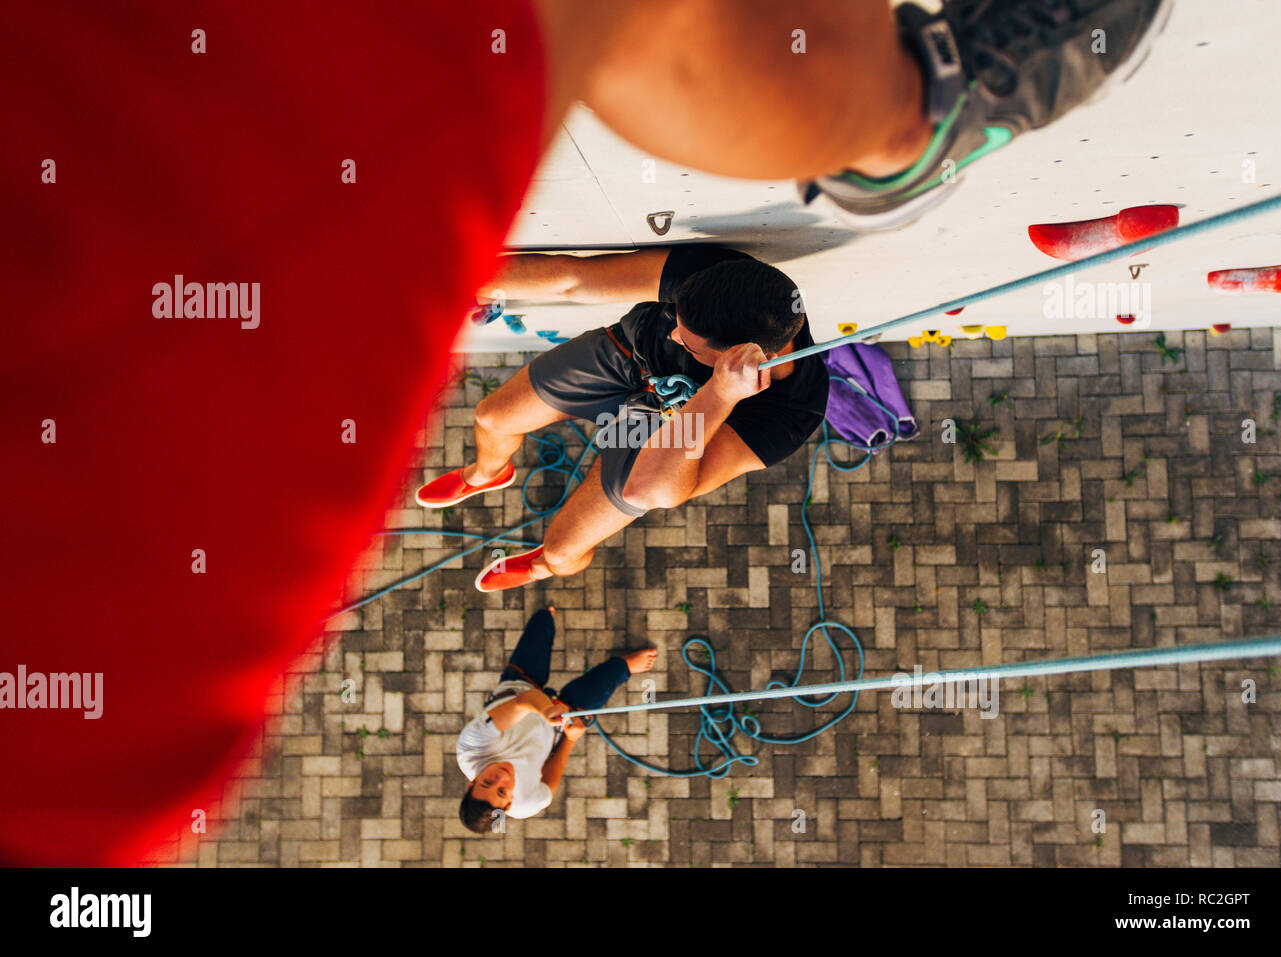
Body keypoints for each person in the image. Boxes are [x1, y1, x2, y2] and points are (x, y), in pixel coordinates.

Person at [1, 0, 1168, 863]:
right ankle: (915, 114)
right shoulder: (534, 786)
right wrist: (706, 405)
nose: (508, 794)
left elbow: (565, 275)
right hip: (721, 421)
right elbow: (560, 728)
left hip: (653, 391)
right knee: (633, 504)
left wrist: (468, 294)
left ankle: (534, 509)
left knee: (516, 429)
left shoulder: (668, 311)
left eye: (502, 797)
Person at [418, 244, 829, 591]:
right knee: (492, 417)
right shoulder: (723, 280)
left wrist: (718, 396)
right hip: (627, 357)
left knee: (563, 549)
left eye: (689, 342)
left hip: (666, 434)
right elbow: (573, 278)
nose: (673, 334)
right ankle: (486, 472)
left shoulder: (791, 413)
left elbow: (649, 490)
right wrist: (463, 275)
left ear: (758, 357)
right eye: (677, 322)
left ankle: (547, 567)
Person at [457, 607, 657, 832]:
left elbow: (522, 701)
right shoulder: (526, 805)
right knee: (603, 683)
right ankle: (625, 665)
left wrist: (547, 709)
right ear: (510, 804)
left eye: (486, 782)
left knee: (541, 626)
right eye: (502, 791)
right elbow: (549, 785)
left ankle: (546, 615)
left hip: (520, 689)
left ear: (472, 782)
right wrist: (570, 740)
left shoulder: (470, 748)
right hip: (555, 728)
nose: (499, 778)